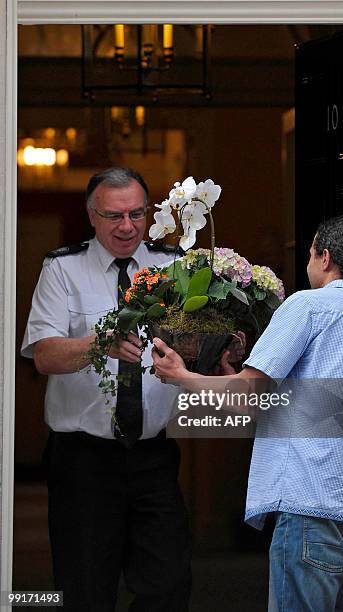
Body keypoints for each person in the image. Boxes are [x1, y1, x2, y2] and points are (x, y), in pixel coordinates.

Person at [152, 215, 343, 612]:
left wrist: (181, 375)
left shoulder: (310, 305)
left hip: (312, 506)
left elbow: (249, 397)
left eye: (309, 253)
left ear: (325, 257)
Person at [21, 167, 192, 612]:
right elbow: (44, 355)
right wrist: (102, 344)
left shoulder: (171, 267)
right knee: (85, 590)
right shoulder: (62, 268)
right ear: (91, 216)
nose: (127, 226)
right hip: (83, 459)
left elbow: (191, 341)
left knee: (168, 582)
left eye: (137, 214)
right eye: (114, 215)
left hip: (151, 455)